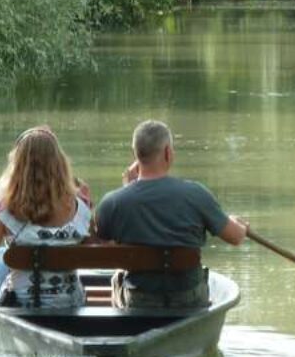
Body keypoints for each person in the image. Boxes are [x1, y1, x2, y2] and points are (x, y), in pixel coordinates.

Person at [94, 120, 247, 308]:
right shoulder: (196, 194)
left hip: (139, 300)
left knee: (117, 277)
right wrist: (237, 223)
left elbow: (101, 244)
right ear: (168, 152)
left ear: (135, 154)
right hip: (188, 298)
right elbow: (236, 237)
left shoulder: (113, 202)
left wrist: (128, 188)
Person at [0, 126, 93, 308]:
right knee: (1, 256)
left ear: (17, 166)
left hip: (20, 303)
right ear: (59, 164)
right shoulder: (81, 207)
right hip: (70, 303)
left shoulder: (3, 210)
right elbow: (92, 245)